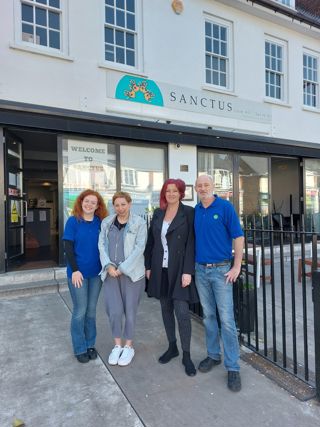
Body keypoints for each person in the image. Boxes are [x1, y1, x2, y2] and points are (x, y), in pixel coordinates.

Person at [194, 174, 244, 392]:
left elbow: (238, 237)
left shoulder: (225, 207)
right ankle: (213, 355)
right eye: (199, 185)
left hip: (222, 270)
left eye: (206, 185)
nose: (203, 188)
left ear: (213, 187)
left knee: (227, 319)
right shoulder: (195, 210)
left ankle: (233, 367)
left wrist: (237, 266)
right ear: (195, 189)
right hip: (200, 270)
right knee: (209, 317)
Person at [145, 178, 199, 376]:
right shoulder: (158, 213)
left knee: (182, 313)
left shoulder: (189, 212)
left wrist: (188, 271)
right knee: (165, 309)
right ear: (164, 193)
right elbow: (151, 242)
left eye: (175, 191)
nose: (171, 194)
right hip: (161, 269)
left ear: (181, 193)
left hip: (180, 270)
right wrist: (148, 266)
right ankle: (172, 346)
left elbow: (191, 243)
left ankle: (186, 354)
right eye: (168, 191)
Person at [99, 191, 147, 367]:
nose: (120, 208)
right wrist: (108, 265)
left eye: (123, 204)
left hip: (132, 274)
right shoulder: (107, 222)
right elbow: (101, 245)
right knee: (115, 311)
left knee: (130, 311)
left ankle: (128, 346)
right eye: (117, 205)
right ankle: (117, 345)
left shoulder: (139, 223)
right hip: (111, 274)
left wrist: (123, 268)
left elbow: (140, 247)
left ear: (130, 204)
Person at [63, 189, 108, 363]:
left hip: (96, 274)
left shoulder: (100, 223)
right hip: (78, 274)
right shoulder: (73, 221)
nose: (89, 204)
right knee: (80, 311)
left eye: (93, 202)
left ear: (98, 206)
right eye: (86, 201)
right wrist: (74, 270)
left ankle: (90, 344)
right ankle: (79, 348)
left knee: (91, 311)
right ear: (81, 202)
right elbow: (68, 247)